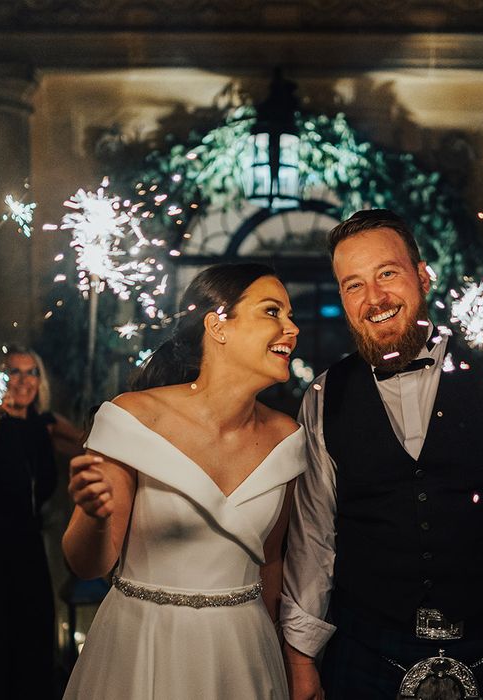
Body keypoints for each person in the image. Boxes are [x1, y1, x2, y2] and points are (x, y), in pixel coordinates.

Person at [281, 209, 483, 700]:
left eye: (387, 273)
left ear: (422, 276)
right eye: (354, 285)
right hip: (368, 657)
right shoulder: (325, 397)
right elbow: (313, 541)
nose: (375, 298)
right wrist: (302, 662)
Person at [62, 263, 305, 699]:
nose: (292, 327)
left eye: (290, 315)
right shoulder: (134, 418)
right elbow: (88, 565)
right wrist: (94, 518)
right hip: (144, 647)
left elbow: (270, 564)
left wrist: (290, 664)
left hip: (243, 653)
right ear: (218, 326)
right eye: (273, 312)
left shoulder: (286, 437)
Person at [0, 346, 82, 700]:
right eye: (15, 372)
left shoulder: (45, 424)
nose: (24, 381)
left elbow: (92, 446)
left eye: (31, 372)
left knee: (32, 633)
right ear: (0, 377)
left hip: (27, 546)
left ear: (40, 381)